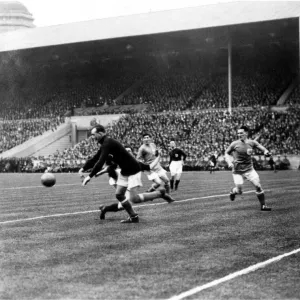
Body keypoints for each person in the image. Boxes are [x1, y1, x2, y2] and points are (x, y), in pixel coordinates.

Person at [79, 125, 174, 224]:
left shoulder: (107, 142)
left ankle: (159, 193)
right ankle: (134, 217)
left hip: (133, 170)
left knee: (134, 199)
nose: (93, 137)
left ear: (101, 133)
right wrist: (82, 168)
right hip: (125, 170)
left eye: (94, 135)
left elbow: (100, 162)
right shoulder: (105, 144)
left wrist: (89, 176)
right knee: (119, 194)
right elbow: (95, 159)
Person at [225, 125, 272, 211]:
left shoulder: (252, 142)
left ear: (246, 133)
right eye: (238, 133)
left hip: (249, 169)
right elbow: (226, 153)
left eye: (241, 133)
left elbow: (262, 148)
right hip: (237, 170)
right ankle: (233, 191)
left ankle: (263, 205)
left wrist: (266, 152)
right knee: (239, 191)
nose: (239, 135)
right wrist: (229, 162)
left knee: (258, 186)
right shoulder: (234, 144)